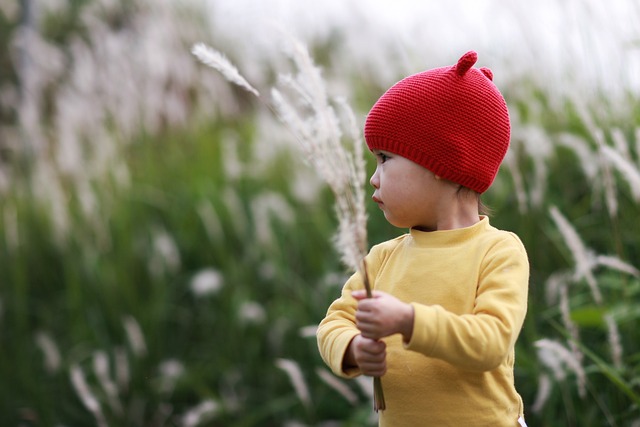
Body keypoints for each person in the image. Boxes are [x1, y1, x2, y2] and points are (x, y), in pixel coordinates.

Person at [316, 51, 530, 426]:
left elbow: (492, 341)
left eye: (385, 158)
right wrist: (351, 349)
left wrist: (408, 321)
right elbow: (335, 322)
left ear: (440, 163)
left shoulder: (497, 251)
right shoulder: (382, 259)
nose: (374, 177)